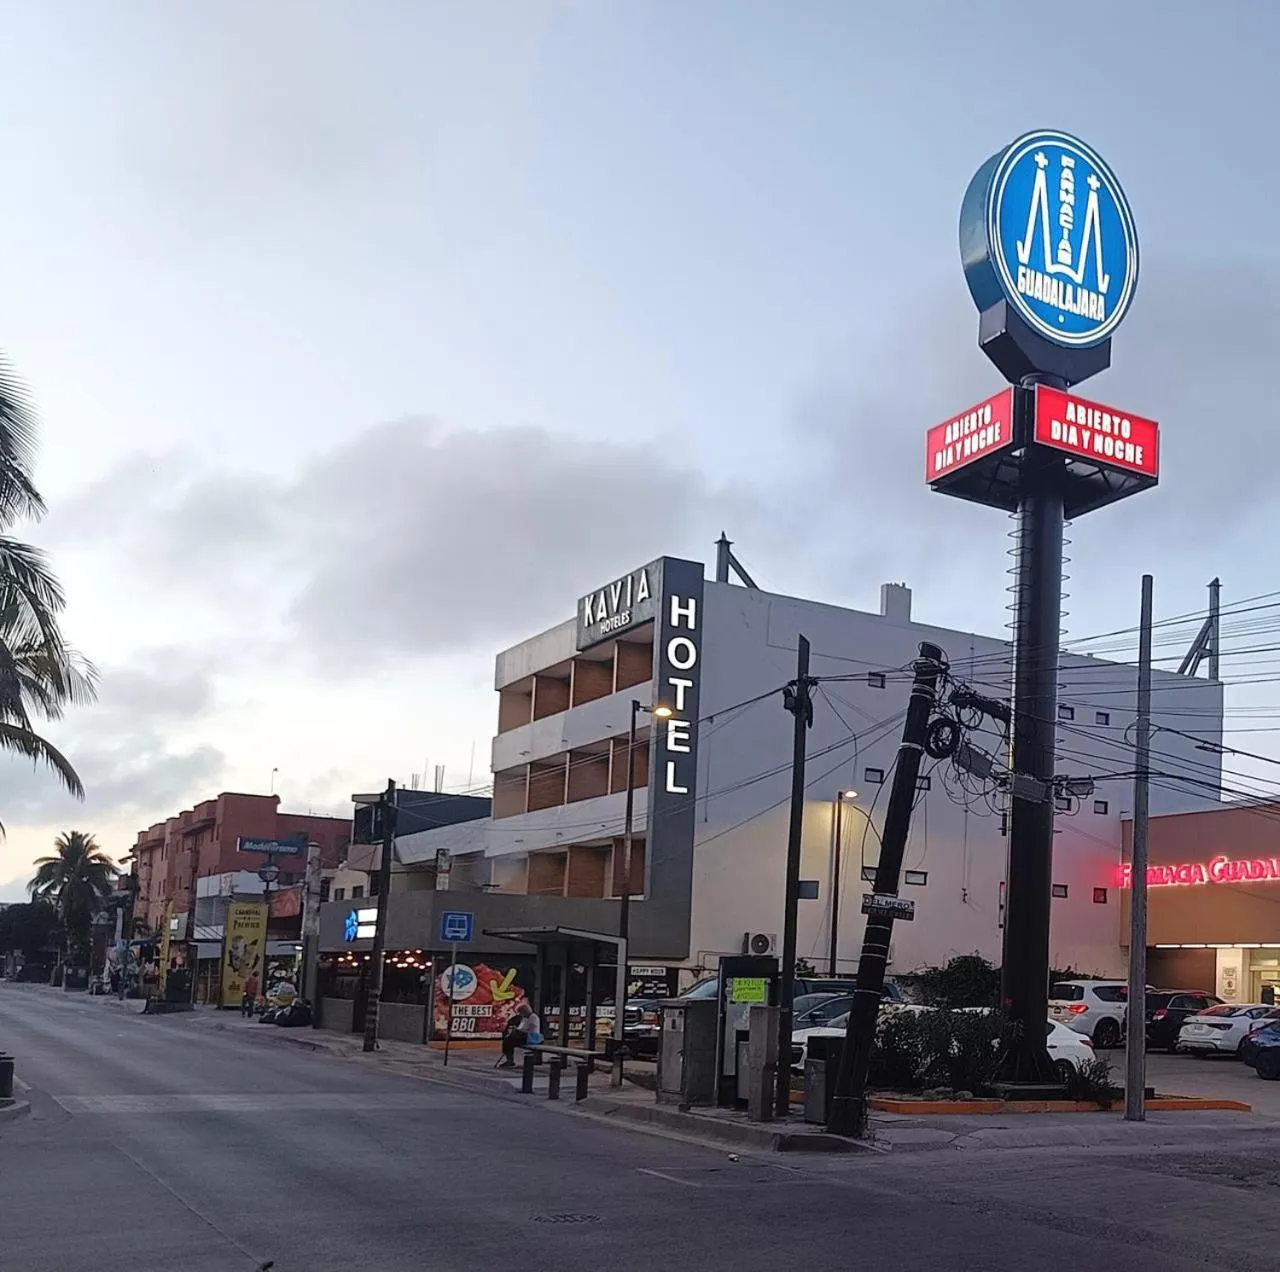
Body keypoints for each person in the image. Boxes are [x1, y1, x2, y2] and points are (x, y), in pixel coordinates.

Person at [497, 1001, 543, 1068]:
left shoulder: (533, 1017)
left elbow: (528, 1029)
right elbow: (521, 1027)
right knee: (507, 1040)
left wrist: (518, 1030)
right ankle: (509, 1060)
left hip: (532, 1037)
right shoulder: (524, 1018)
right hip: (524, 1036)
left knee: (513, 1036)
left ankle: (510, 1059)